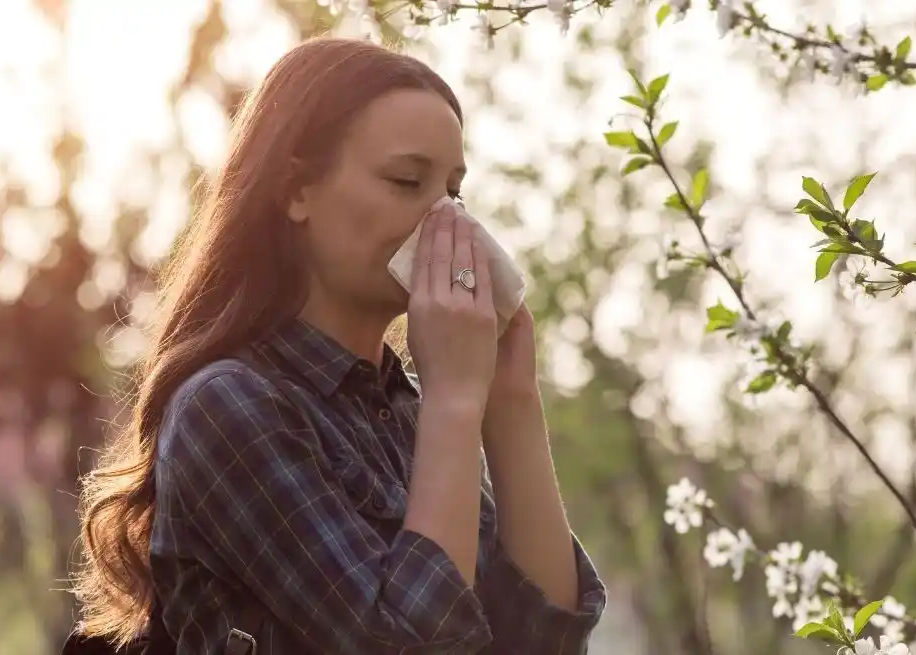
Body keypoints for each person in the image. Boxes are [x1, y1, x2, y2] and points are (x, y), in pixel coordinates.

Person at [67, 37, 607, 654]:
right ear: (297, 191)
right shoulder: (230, 408)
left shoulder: (404, 415)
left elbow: (547, 644)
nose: (447, 222)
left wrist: (511, 404)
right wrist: (455, 399)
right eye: (407, 181)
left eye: (454, 191)